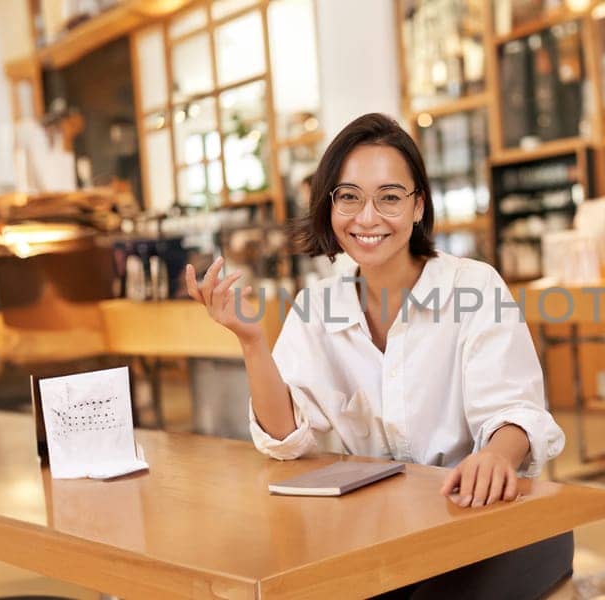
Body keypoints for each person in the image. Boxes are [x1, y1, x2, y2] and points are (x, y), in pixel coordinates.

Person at [186, 113, 571, 598]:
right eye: (349, 197)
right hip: (378, 538)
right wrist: (251, 341)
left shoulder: (473, 286)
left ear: (417, 208)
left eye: (389, 197)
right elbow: (285, 438)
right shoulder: (316, 309)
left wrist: (495, 455)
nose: (367, 218)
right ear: (330, 207)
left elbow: (516, 410)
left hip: (492, 526)